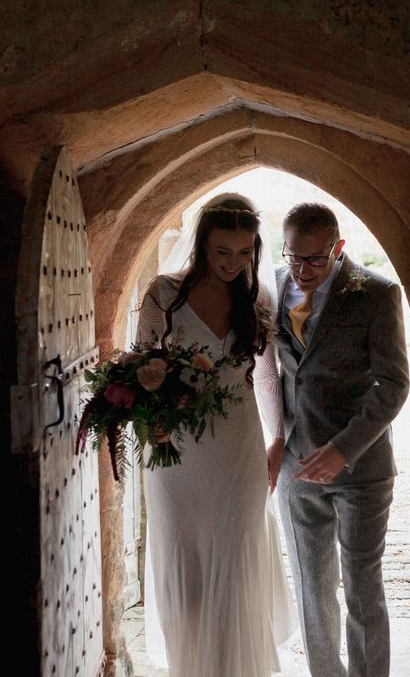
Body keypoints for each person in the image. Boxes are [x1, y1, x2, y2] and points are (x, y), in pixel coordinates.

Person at [135, 194, 296, 676]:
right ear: (202, 244)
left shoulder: (255, 298)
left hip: (238, 448)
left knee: (235, 560)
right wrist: (157, 426)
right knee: (187, 569)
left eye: (244, 253)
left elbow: (266, 376)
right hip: (176, 451)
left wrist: (277, 439)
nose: (233, 263)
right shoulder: (162, 295)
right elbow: (140, 368)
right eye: (222, 252)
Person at [270, 203, 409, 677]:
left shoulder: (377, 293)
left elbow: (394, 385)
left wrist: (345, 448)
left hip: (362, 468)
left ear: (338, 248)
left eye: (314, 260)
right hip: (294, 463)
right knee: (312, 587)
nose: (301, 270)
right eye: (293, 258)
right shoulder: (270, 286)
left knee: (362, 588)